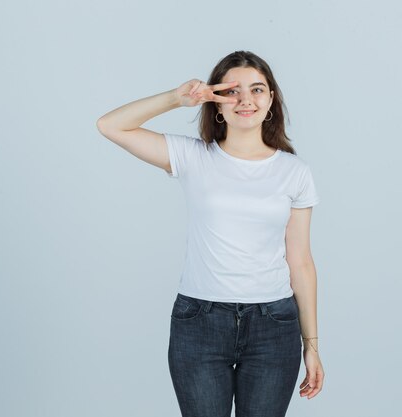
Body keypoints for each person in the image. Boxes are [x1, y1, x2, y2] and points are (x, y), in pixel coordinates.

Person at [96, 50, 324, 417]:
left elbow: (301, 261)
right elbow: (110, 125)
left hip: (274, 325)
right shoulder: (194, 157)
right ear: (217, 103)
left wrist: (311, 343)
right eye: (232, 91)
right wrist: (176, 98)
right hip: (200, 323)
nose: (245, 100)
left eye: (257, 89)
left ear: (271, 102)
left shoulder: (294, 172)